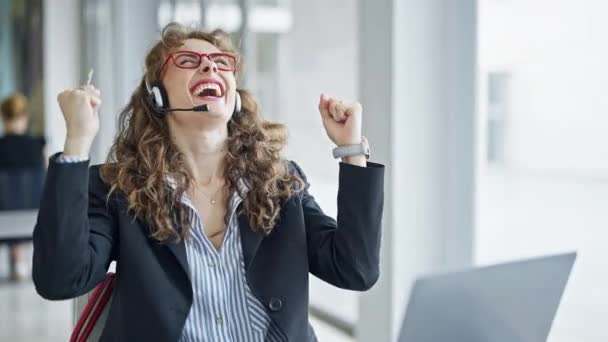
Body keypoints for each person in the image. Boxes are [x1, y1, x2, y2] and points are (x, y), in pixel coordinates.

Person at [32, 23, 384, 341]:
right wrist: (77, 142)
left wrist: (351, 149)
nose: (210, 66)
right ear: (157, 95)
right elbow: (61, 278)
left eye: (221, 62)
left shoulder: (280, 182)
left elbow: (354, 270)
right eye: (188, 60)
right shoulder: (120, 188)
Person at [0, 93, 46, 281]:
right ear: (25, 116)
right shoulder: (38, 144)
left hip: (3, 219)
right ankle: (23, 261)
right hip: (35, 217)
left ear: (3, 118)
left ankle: (17, 258)